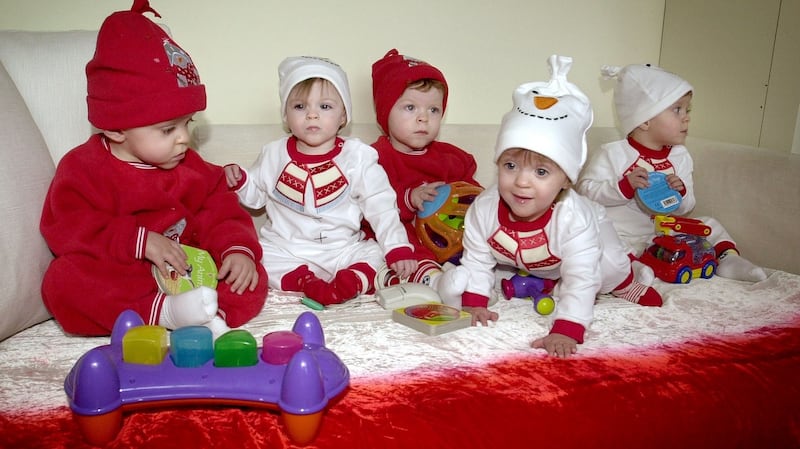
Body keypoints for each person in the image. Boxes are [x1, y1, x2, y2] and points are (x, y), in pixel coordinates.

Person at [39, 0, 268, 338]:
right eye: (167, 130)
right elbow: (67, 227)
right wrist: (141, 242)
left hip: (192, 272)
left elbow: (221, 210)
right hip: (127, 276)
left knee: (250, 276)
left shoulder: (191, 166)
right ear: (116, 128)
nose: (184, 139)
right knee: (63, 282)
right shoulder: (83, 169)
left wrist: (237, 250)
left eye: (187, 124)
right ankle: (163, 314)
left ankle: (207, 312)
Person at [438, 55, 662, 358]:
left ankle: (624, 283)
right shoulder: (484, 209)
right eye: (511, 165)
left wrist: (567, 327)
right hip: (537, 261)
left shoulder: (574, 218)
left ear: (566, 180)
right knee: (520, 265)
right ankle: (542, 279)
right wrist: (475, 301)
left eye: (541, 172)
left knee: (605, 266)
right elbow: (477, 259)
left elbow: (582, 277)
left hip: (593, 231)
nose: (522, 182)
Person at [224, 56, 417, 305]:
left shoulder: (357, 157)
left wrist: (397, 247)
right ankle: (305, 282)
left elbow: (381, 205)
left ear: (343, 116)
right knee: (260, 256)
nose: (312, 115)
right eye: (300, 107)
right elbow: (256, 197)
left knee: (377, 254)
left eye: (325, 107)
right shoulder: (273, 153)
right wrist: (240, 180)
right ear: (285, 116)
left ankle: (352, 281)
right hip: (288, 249)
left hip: (343, 249)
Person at [576, 63, 767, 282]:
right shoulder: (613, 153)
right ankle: (633, 270)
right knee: (599, 240)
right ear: (645, 120)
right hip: (623, 234)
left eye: (687, 110)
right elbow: (585, 192)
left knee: (709, 224)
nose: (686, 117)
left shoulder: (680, 156)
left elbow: (688, 206)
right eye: (677, 109)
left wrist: (681, 191)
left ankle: (728, 260)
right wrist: (623, 186)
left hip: (664, 235)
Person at [368, 49, 482, 288]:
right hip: (405, 245)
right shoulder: (374, 158)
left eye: (433, 110)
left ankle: (479, 275)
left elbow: (473, 196)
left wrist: (478, 203)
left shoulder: (452, 158)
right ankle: (434, 279)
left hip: (450, 239)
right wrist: (409, 198)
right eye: (410, 108)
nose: (424, 118)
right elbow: (368, 205)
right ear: (385, 112)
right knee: (389, 239)